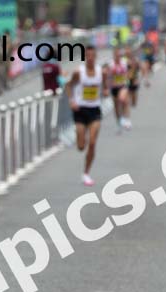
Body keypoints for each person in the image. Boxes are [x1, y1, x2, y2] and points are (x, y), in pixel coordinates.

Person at [66, 45, 107, 186]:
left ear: (95, 57)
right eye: (87, 56)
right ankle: (79, 135)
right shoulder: (79, 72)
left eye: (92, 56)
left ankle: (86, 173)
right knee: (81, 146)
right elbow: (68, 86)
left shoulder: (101, 72)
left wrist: (106, 90)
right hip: (80, 110)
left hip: (94, 110)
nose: (90, 58)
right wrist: (71, 101)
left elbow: (106, 86)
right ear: (85, 57)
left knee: (93, 142)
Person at [107, 47, 131, 131]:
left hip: (123, 85)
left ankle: (126, 119)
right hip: (114, 88)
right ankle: (119, 123)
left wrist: (127, 78)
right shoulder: (110, 65)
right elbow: (107, 76)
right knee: (116, 107)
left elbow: (129, 70)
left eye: (119, 55)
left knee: (123, 99)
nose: (117, 56)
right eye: (116, 55)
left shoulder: (124, 62)